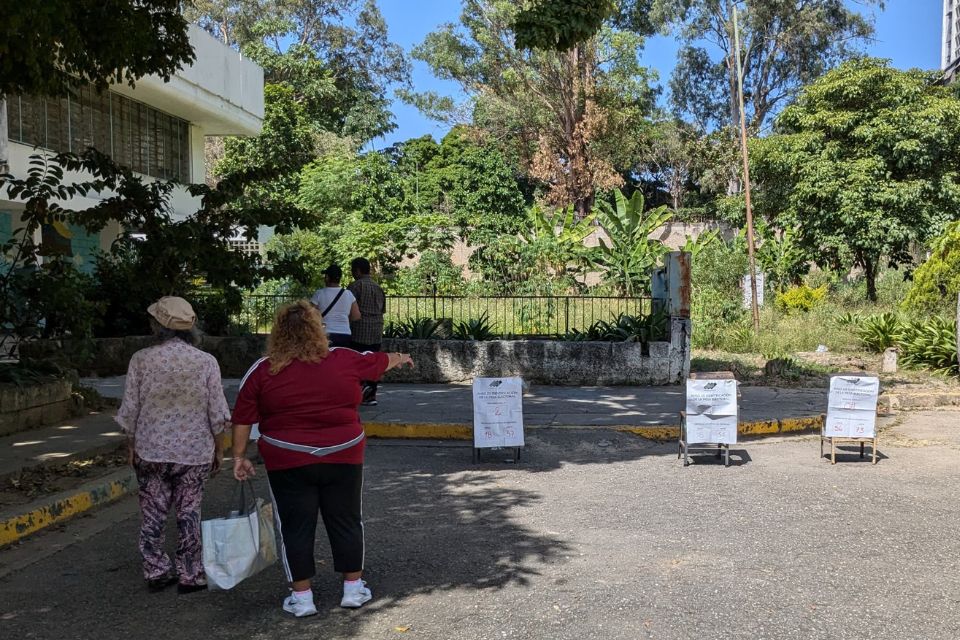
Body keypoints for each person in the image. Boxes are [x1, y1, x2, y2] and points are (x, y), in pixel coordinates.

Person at [230, 300, 414, 618]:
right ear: (319, 330)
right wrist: (401, 358)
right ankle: (353, 590)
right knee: (346, 519)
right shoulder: (343, 359)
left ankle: (302, 599)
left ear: (279, 334)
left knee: (294, 525)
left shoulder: (263, 369)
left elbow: (242, 417)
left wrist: (238, 457)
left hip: (286, 458)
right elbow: (378, 361)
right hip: (343, 454)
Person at [115, 296, 230, 594]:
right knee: (189, 511)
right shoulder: (206, 362)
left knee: (152, 511)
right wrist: (219, 449)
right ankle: (191, 574)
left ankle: (156, 570)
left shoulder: (141, 359)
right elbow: (217, 413)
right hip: (194, 452)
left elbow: (130, 409)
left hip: (150, 449)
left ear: (158, 326)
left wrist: (130, 444)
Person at [347, 257, 386, 405]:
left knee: (358, 363)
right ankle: (371, 395)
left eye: (352, 270)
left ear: (357, 270)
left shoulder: (355, 287)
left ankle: (358, 394)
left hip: (359, 330)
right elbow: (382, 310)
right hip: (376, 330)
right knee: (373, 362)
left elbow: (349, 309)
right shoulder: (378, 287)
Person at [310, 264, 361, 348]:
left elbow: (309, 314)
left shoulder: (319, 294)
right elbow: (356, 316)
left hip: (324, 334)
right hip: (345, 334)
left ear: (327, 277)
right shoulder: (348, 294)